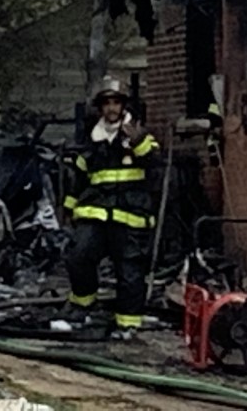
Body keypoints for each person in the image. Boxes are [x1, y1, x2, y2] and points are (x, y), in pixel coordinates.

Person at [63, 75, 161, 339]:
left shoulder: (139, 134)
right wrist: (69, 208)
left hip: (130, 216)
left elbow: (154, 163)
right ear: (100, 107)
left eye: (116, 102)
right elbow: (79, 176)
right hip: (95, 212)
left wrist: (138, 141)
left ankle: (127, 324)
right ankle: (83, 305)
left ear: (124, 105)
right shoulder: (91, 137)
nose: (111, 108)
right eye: (107, 103)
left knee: (129, 272)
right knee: (79, 255)